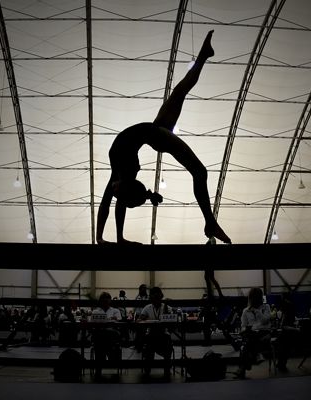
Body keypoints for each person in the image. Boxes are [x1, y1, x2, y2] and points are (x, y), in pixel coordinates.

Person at [96, 30, 231, 245]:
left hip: (156, 131)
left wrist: (102, 238)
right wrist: (112, 238)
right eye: (117, 192)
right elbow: (115, 202)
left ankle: (204, 55)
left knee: (180, 91)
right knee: (200, 171)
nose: (112, 191)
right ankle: (210, 222)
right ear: (126, 186)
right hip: (157, 136)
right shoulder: (124, 175)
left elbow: (109, 203)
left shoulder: (118, 174)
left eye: (115, 192)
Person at [138, 286, 173, 378]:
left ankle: (166, 369)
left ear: (161, 296)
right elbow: (139, 320)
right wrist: (142, 319)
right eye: (154, 297)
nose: (156, 299)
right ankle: (147, 370)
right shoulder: (147, 307)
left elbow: (170, 320)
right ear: (151, 298)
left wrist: (165, 306)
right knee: (148, 344)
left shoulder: (167, 307)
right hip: (151, 335)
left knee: (167, 342)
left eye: (158, 297)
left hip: (164, 335)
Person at [91, 292, 122, 377]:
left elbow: (118, 321)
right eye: (103, 298)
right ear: (100, 301)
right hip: (100, 335)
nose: (105, 300)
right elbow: (93, 322)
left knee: (101, 340)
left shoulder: (115, 310)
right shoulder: (96, 311)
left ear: (110, 300)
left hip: (111, 335)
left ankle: (102, 360)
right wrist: (110, 319)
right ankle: (106, 356)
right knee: (99, 338)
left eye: (107, 298)